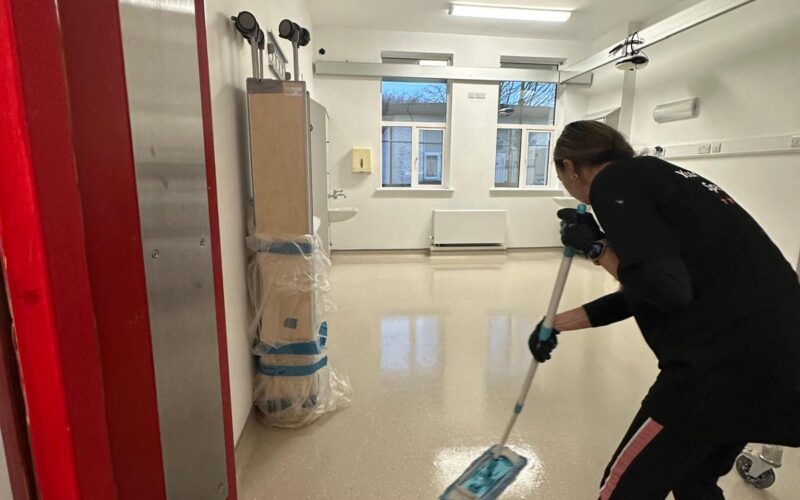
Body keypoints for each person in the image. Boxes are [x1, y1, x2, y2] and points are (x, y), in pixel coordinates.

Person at [527, 121, 800, 499]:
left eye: (561, 177)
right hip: (775, 355)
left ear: (570, 167)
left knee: (624, 489)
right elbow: (649, 291)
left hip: (720, 366)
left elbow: (665, 290)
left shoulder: (612, 184)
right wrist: (555, 324)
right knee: (693, 480)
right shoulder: (659, 176)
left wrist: (596, 248)